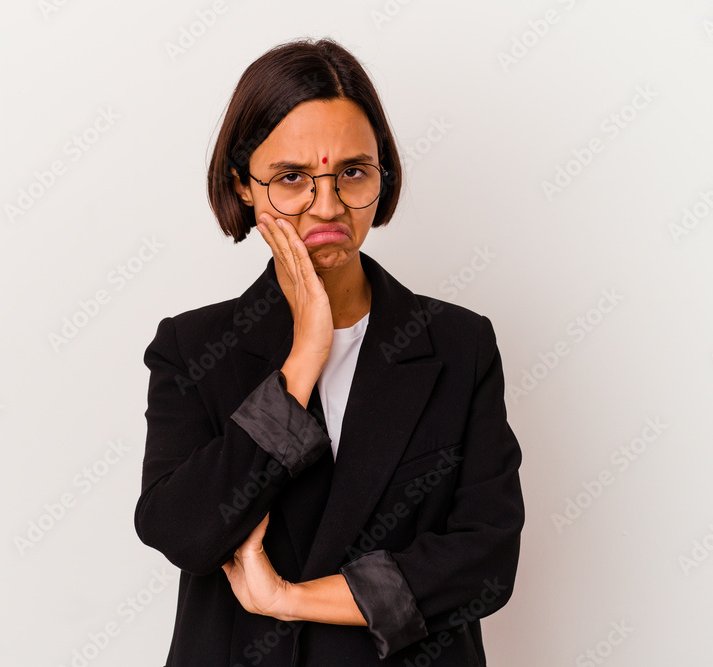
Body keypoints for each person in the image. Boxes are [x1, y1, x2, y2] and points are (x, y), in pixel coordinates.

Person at [134, 36, 524, 666]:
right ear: (244, 184)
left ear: (382, 173)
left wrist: (291, 598)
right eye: (292, 178)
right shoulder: (192, 348)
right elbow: (183, 531)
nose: (328, 205)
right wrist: (305, 354)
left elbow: (485, 560)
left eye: (352, 172)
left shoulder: (458, 344)